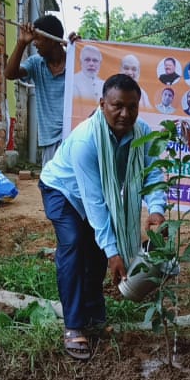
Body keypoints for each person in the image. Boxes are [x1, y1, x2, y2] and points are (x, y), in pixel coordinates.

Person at [39, 74, 166, 361]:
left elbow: (154, 173)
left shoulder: (141, 133)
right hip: (63, 190)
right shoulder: (87, 139)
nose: (125, 114)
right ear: (102, 104)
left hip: (93, 195)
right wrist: (113, 251)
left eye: (132, 107)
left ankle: (95, 315)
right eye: (117, 106)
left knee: (96, 252)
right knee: (72, 245)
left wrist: (157, 209)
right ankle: (73, 325)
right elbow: (94, 201)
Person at [5, 15, 70, 166]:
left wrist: (78, 48)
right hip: (50, 141)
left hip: (74, 137)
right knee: (52, 187)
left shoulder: (75, 62)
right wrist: (21, 43)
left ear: (52, 40)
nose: (34, 43)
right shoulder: (36, 64)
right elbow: (9, 74)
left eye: (38, 39)